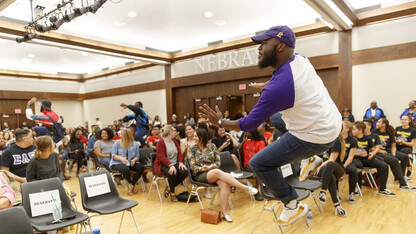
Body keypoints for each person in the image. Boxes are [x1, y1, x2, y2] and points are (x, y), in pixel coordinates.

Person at [199, 25, 341, 225]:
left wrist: (220, 121)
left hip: (316, 136)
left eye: (264, 44)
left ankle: (291, 204)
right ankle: (302, 151)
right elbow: (286, 82)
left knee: (259, 163)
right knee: (275, 119)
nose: (259, 48)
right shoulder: (301, 59)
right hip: (332, 121)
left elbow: (248, 124)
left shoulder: (280, 87)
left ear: (281, 46)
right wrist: (268, 85)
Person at [188, 129, 257, 222]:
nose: (194, 138)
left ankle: (225, 213)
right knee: (217, 172)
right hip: (200, 174)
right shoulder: (192, 149)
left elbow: (217, 161)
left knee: (224, 184)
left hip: (213, 171)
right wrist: (202, 168)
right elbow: (192, 166)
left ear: (202, 137)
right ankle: (244, 188)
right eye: (194, 136)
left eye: (196, 136)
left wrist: (213, 166)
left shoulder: (212, 146)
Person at [364, 120, 415, 190]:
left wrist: (393, 154)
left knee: (395, 159)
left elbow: (393, 146)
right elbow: (372, 148)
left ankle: (401, 180)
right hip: (376, 153)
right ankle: (400, 183)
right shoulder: (372, 133)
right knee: (390, 161)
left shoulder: (376, 135)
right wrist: (378, 150)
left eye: (379, 122)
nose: (377, 123)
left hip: (382, 151)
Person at [353, 121, 395, 197]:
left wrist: (372, 153)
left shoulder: (368, 139)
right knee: (358, 166)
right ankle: (358, 187)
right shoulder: (352, 139)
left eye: (353, 129)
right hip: (355, 158)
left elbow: (373, 149)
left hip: (366, 158)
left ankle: (383, 189)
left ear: (360, 130)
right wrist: (358, 154)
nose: (352, 131)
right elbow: (348, 153)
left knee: (384, 166)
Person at [315, 133, 348, 217]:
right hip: (326, 171)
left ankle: (323, 191)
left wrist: (319, 166)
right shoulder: (327, 140)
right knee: (330, 176)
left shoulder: (336, 141)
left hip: (336, 168)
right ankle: (337, 206)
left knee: (330, 165)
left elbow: (332, 160)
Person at [154, 125, 187, 201]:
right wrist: (170, 165)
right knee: (173, 172)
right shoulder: (161, 142)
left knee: (184, 172)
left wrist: (181, 163)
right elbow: (161, 157)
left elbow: (179, 153)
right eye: (174, 130)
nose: (175, 132)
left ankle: (169, 187)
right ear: (169, 132)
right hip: (163, 164)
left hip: (175, 163)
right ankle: (172, 192)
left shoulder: (174, 141)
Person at [110, 129, 145, 196]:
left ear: (127, 135)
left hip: (129, 163)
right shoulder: (117, 143)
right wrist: (121, 159)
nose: (120, 136)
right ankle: (130, 183)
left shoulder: (135, 144)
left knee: (141, 167)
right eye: (120, 134)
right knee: (125, 169)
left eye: (121, 134)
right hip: (117, 163)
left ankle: (132, 184)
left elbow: (137, 156)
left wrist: (134, 160)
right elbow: (113, 155)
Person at [238, 130, 266, 201]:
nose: (245, 133)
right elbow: (238, 149)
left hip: (257, 163)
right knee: (258, 169)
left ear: (252, 133)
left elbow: (261, 156)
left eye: (247, 132)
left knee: (260, 168)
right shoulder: (246, 142)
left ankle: (268, 189)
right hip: (247, 164)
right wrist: (243, 141)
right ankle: (256, 191)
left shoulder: (261, 142)